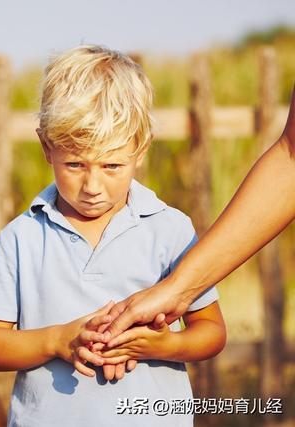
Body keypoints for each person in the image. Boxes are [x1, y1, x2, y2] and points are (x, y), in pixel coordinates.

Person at [0, 45, 226, 427]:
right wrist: (56, 341)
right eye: (75, 164)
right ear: (46, 148)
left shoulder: (170, 229)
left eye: (112, 166)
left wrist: (164, 344)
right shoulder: (21, 238)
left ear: (141, 150)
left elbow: (211, 332)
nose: (92, 186)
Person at [104, 85, 295, 342]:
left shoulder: (169, 227)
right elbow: (291, 158)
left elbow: (211, 332)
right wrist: (176, 290)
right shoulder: (29, 233)